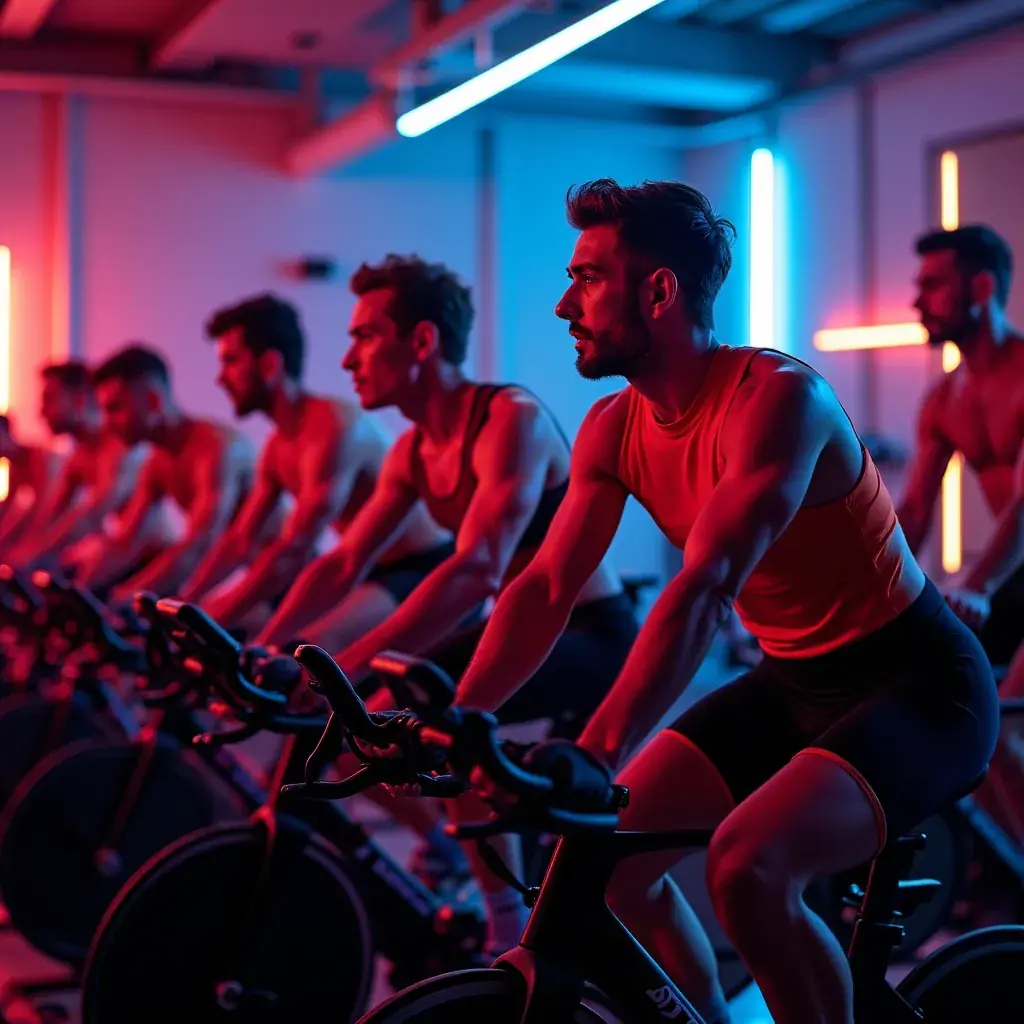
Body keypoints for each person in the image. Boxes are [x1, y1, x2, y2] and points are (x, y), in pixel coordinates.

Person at [446, 179, 998, 1024]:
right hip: (791, 683)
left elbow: (706, 586)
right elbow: (547, 586)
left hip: (919, 686)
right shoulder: (613, 427)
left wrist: (598, 750)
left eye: (588, 279)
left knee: (748, 867)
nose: (565, 304)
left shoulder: (775, 399)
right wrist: (462, 721)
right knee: (600, 862)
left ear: (658, 291)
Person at [300, 254, 635, 951]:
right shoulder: (411, 453)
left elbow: (476, 569)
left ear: (421, 342)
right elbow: (340, 561)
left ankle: (506, 937)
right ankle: (491, 911)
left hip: (591, 634)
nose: (347, 359)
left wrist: (349, 664)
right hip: (520, 625)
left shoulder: (508, 418)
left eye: (364, 336)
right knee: (413, 707)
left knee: (438, 710)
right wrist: (274, 648)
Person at [178, 293, 448, 642]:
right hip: (367, 570)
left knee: (309, 645)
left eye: (230, 362)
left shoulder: (333, 426)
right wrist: (187, 603)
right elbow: (239, 541)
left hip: (421, 566)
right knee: (248, 629)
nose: (220, 379)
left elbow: (295, 549)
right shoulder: (276, 449)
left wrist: (219, 619)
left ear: (269, 366)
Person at [898, 225, 1024, 668]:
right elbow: (913, 513)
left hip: (999, 579)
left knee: (1006, 713)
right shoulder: (943, 401)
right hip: (1014, 577)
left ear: (983, 286)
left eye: (933, 285)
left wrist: (977, 585)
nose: (917, 303)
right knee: (922, 666)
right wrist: (857, 588)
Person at [68, 345, 259, 601]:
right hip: (253, 582)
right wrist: (78, 590)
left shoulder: (217, 449)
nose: (107, 422)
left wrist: (125, 597)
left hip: (281, 581)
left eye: (115, 409)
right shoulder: (156, 463)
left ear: (153, 400)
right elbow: (125, 543)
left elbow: (199, 544)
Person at [7, 361, 150, 575]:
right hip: (125, 558)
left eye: (49, 400)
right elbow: (48, 516)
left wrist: (31, 556)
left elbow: (91, 517)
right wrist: (22, 553)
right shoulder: (79, 456)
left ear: (80, 400)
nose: (41, 412)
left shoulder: (118, 448)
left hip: (152, 559)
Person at [0, 414, 64, 553]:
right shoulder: (16, 463)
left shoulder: (39, 457)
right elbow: (9, 506)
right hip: (53, 519)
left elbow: (45, 506)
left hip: (67, 519)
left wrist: (27, 546)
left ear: (4, 433)